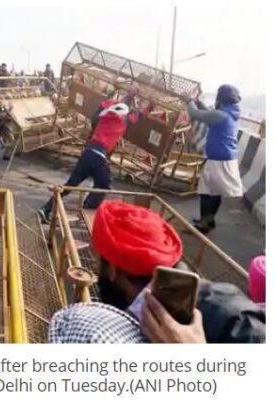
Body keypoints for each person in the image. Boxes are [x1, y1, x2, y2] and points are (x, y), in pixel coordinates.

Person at [92, 200, 265, 343]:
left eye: (97, 260)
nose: (94, 267)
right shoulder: (145, 310)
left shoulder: (233, 319)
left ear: (112, 270)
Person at [38, 94, 152, 223]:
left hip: (88, 152)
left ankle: (46, 208)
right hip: (99, 155)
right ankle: (88, 209)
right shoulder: (124, 120)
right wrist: (150, 107)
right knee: (104, 184)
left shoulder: (104, 116)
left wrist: (127, 95)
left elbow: (102, 108)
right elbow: (138, 115)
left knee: (71, 184)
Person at [185, 85, 244, 234]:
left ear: (220, 98)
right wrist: (197, 101)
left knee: (207, 191)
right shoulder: (230, 113)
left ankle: (204, 224)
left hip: (218, 160)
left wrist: (189, 100)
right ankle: (207, 221)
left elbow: (196, 114)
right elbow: (209, 113)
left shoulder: (221, 115)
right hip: (225, 159)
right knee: (213, 191)